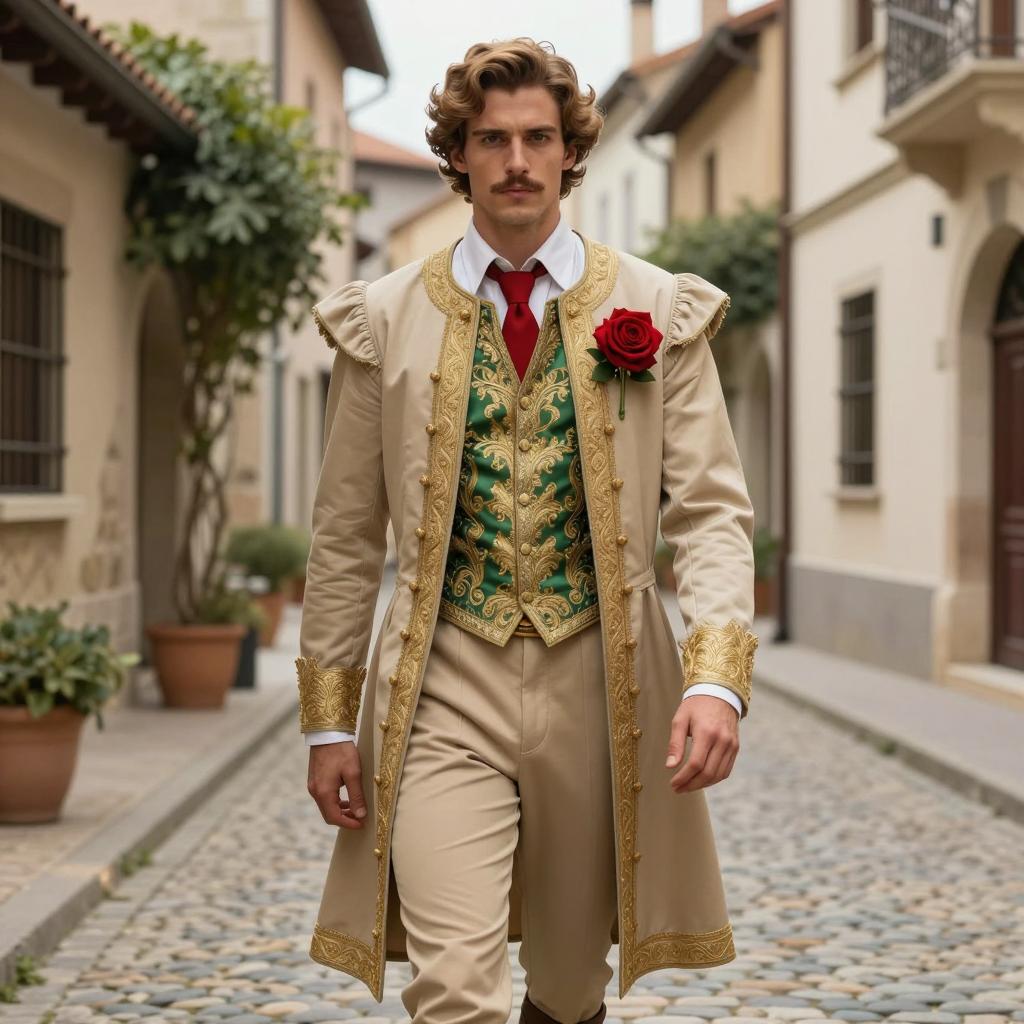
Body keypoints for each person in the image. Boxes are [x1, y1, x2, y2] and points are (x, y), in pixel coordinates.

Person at [297, 37, 759, 1024]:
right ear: (457, 154)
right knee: (453, 987)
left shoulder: (655, 310)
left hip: (601, 680)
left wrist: (716, 677)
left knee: (565, 985)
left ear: (568, 151)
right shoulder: (380, 319)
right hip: (440, 680)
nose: (516, 160)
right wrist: (330, 719)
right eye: (492, 138)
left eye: (537, 137)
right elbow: (343, 534)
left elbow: (711, 512)